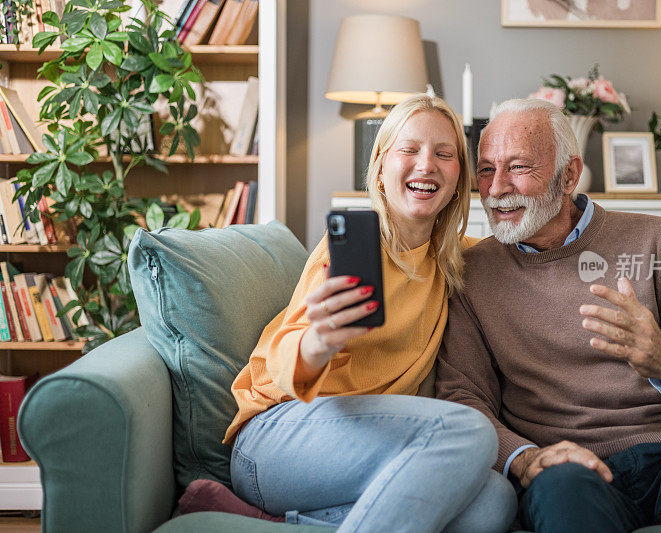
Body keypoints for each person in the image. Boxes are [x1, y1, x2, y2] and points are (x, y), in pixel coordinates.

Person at [435, 97, 661, 533]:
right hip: (570, 467)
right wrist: (527, 457)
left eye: (518, 167)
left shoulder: (654, 238)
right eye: (487, 169)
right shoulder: (471, 271)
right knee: (561, 494)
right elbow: (462, 397)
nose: (495, 189)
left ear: (568, 174)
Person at [201, 94, 517, 533]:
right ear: (381, 166)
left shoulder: (456, 262)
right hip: (277, 437)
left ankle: (284, 522)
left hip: (363, 451)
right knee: (469, 432)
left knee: (494, 503)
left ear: (459, 176)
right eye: (409, 149)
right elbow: (287, 360)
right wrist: (317, 343)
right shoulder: (350, 251)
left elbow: (532, 263)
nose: (427, 164)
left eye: (445, 154)